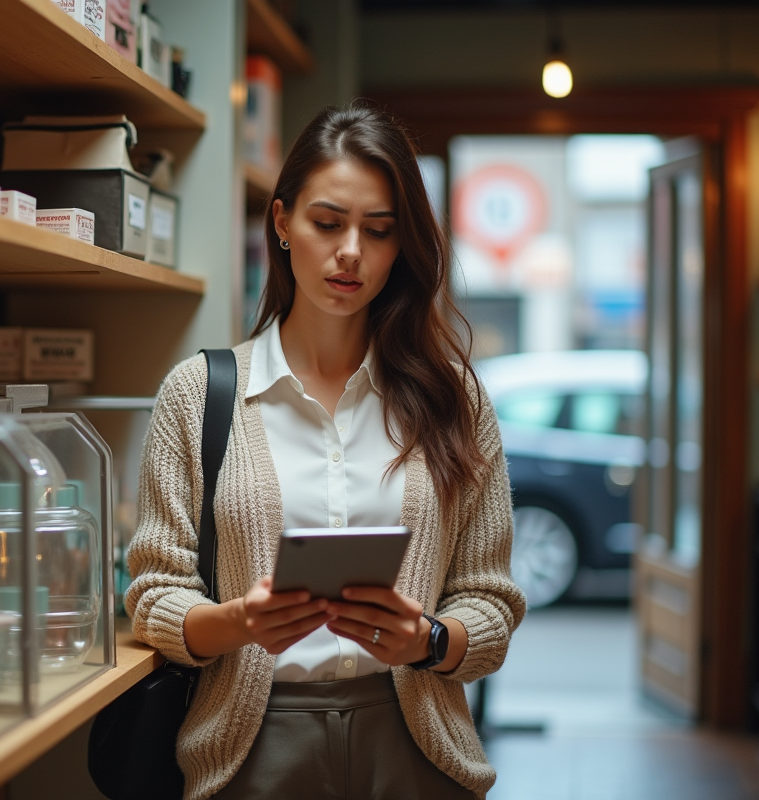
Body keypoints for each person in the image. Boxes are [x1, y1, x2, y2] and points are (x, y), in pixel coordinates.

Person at [125, 102, 526, 800]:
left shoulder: (453, 399)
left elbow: (490, 602)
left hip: (416, 743)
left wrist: (429, 640)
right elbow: (154, 593)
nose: (351, 253)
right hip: (250, 746)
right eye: (327, 223)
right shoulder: (200, 394)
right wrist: (237, 622)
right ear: (281, 223)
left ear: (402, 245)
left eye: (379, 231)